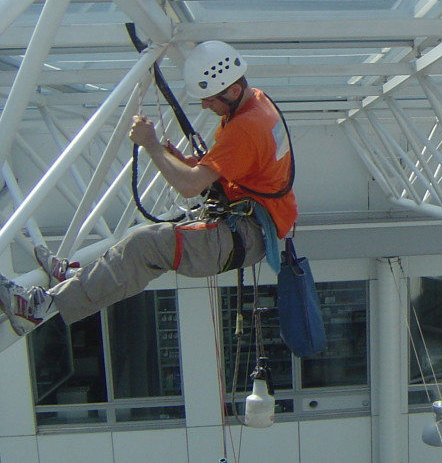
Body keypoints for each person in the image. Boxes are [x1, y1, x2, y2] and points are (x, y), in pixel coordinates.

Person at [0, 41, 297, 336]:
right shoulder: (255, 103)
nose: (205, 105)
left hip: (244, 233)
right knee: (143, 247)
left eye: (210, 99)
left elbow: (190, 186)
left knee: (145, 244)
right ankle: (77, 281)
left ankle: (41, 308)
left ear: (232, 91)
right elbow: (227, 167)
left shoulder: (246, 126)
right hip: (248, 226)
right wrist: (175, 156)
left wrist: (153, 146)